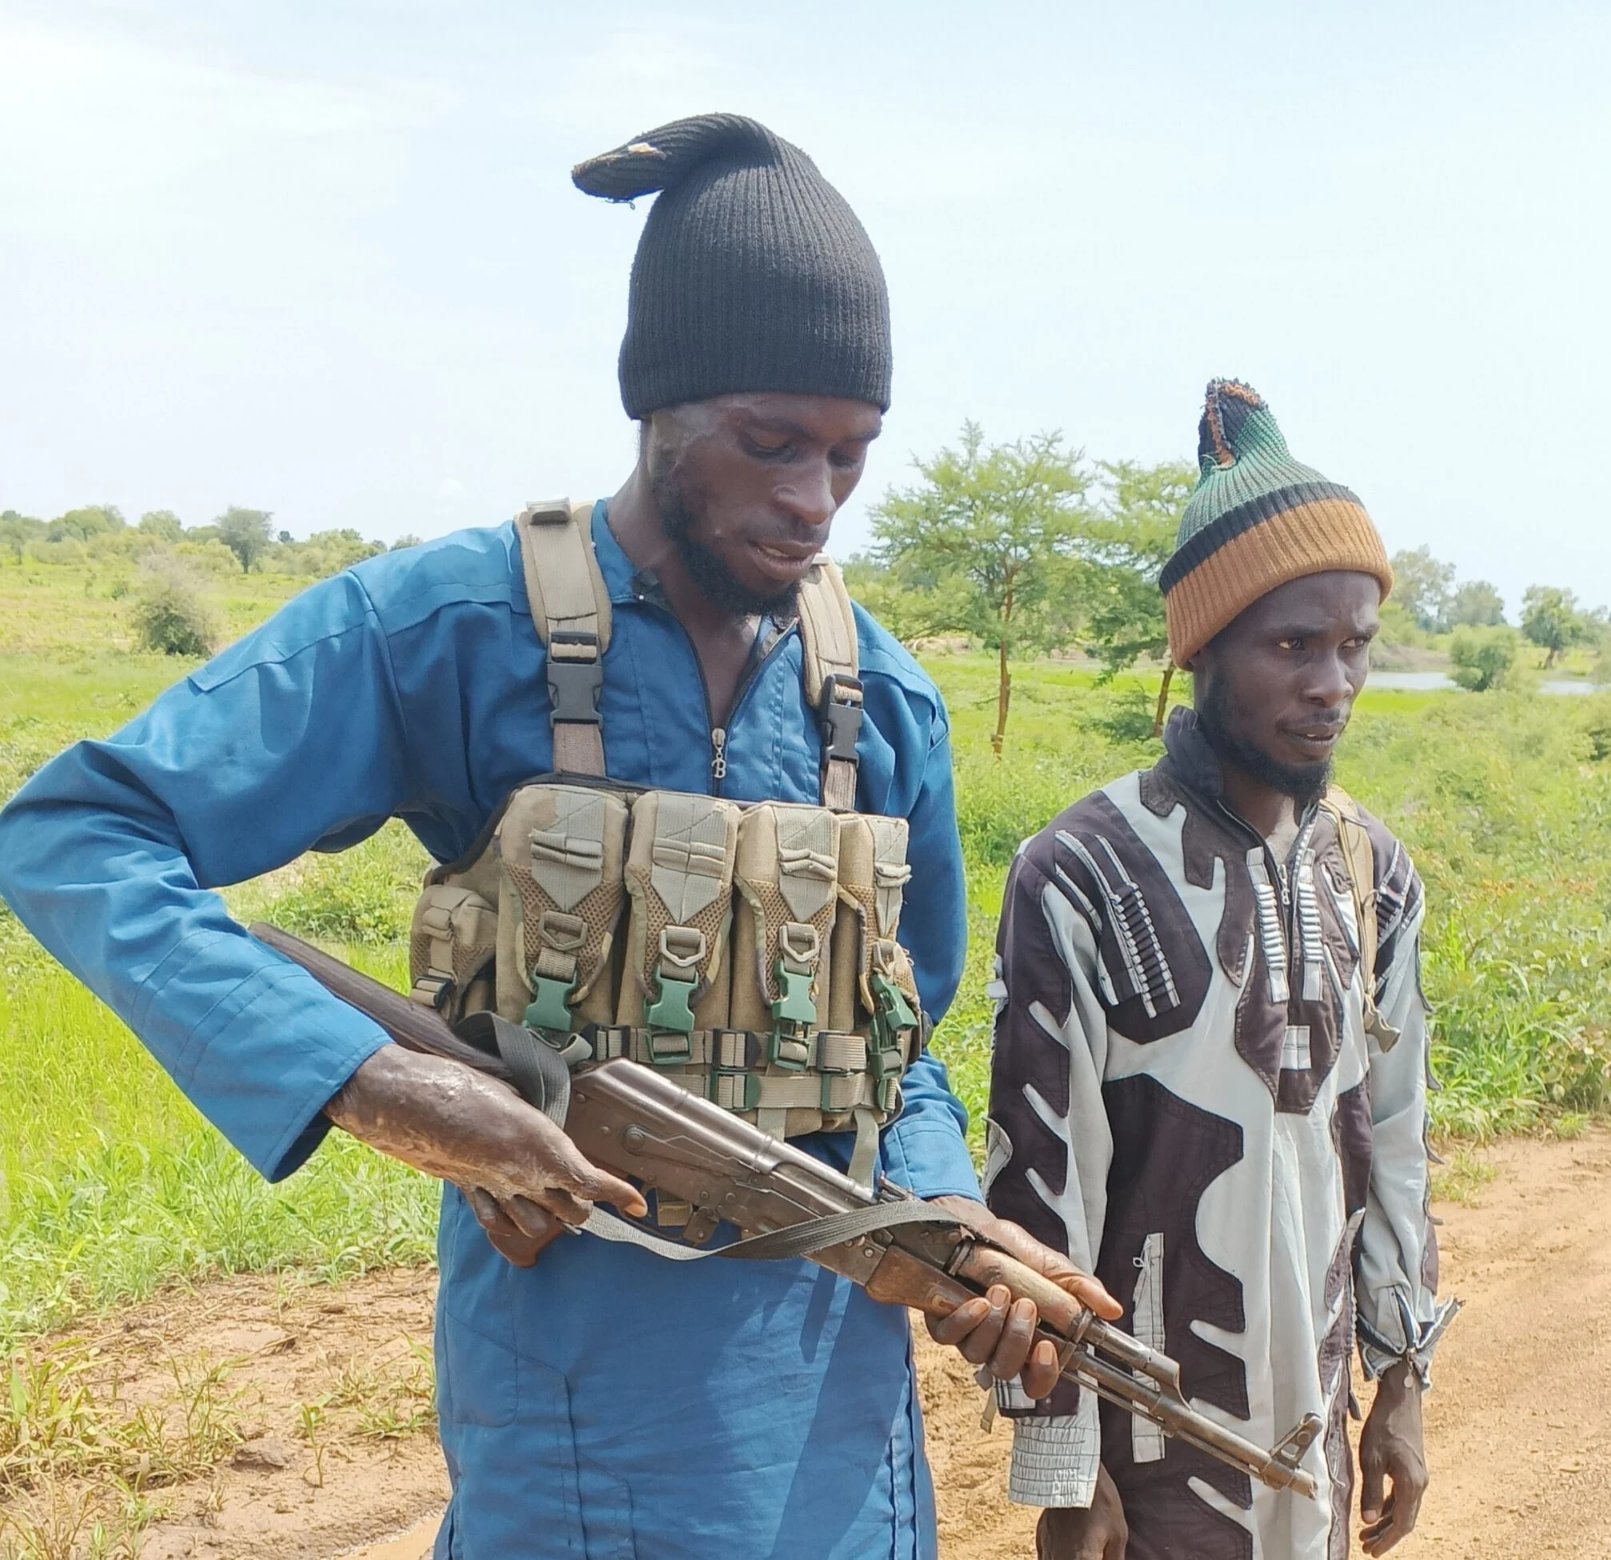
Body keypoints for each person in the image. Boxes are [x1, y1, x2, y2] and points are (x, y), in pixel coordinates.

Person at [0, 113, 1111, 1559]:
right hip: (575, 1428)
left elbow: (902, 1026)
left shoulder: (880, 694)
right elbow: (77, 833)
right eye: (769, 443)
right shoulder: (452, 628)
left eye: (848, 456)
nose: (810, 504)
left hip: (840, 1425)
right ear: (657, 409)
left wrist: (947, 1209)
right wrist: (369, 1079)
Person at [983, 380, 1453, 1559]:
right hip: (1148, 1452)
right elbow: (1040, 1188)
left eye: (1352, 646)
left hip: (1316, 1431)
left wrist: (1400, 1384)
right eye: (1291, 645)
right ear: (1205, 648)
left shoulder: (1371, 870)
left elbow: (1392, 1141)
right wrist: (1061, 1461)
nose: (1330, 683)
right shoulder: (1077, 871)